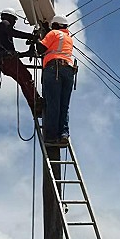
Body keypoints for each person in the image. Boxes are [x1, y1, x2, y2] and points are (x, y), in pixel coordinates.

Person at [0, 8, 43, 117]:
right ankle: (37, 102)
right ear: (10, 17)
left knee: (23, 81)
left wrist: (26, 53)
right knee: (26, 77)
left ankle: (35, 107)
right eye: (14, 20)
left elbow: (13, 53)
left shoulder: (3, 33)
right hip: (7, 60)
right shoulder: (4, 24)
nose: (15, 22)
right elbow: (13, 33)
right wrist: (32, 37)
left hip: (5, 62)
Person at [36, 14, 75, 145]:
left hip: (54, 70)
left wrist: (36, 38)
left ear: (56, 25)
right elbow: (54, 45)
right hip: (68, 71)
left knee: (52, 103)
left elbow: (40, 48)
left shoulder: (53, 34)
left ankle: (51, 136)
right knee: (64, 105)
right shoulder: (68, 38)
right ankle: (63, 134)